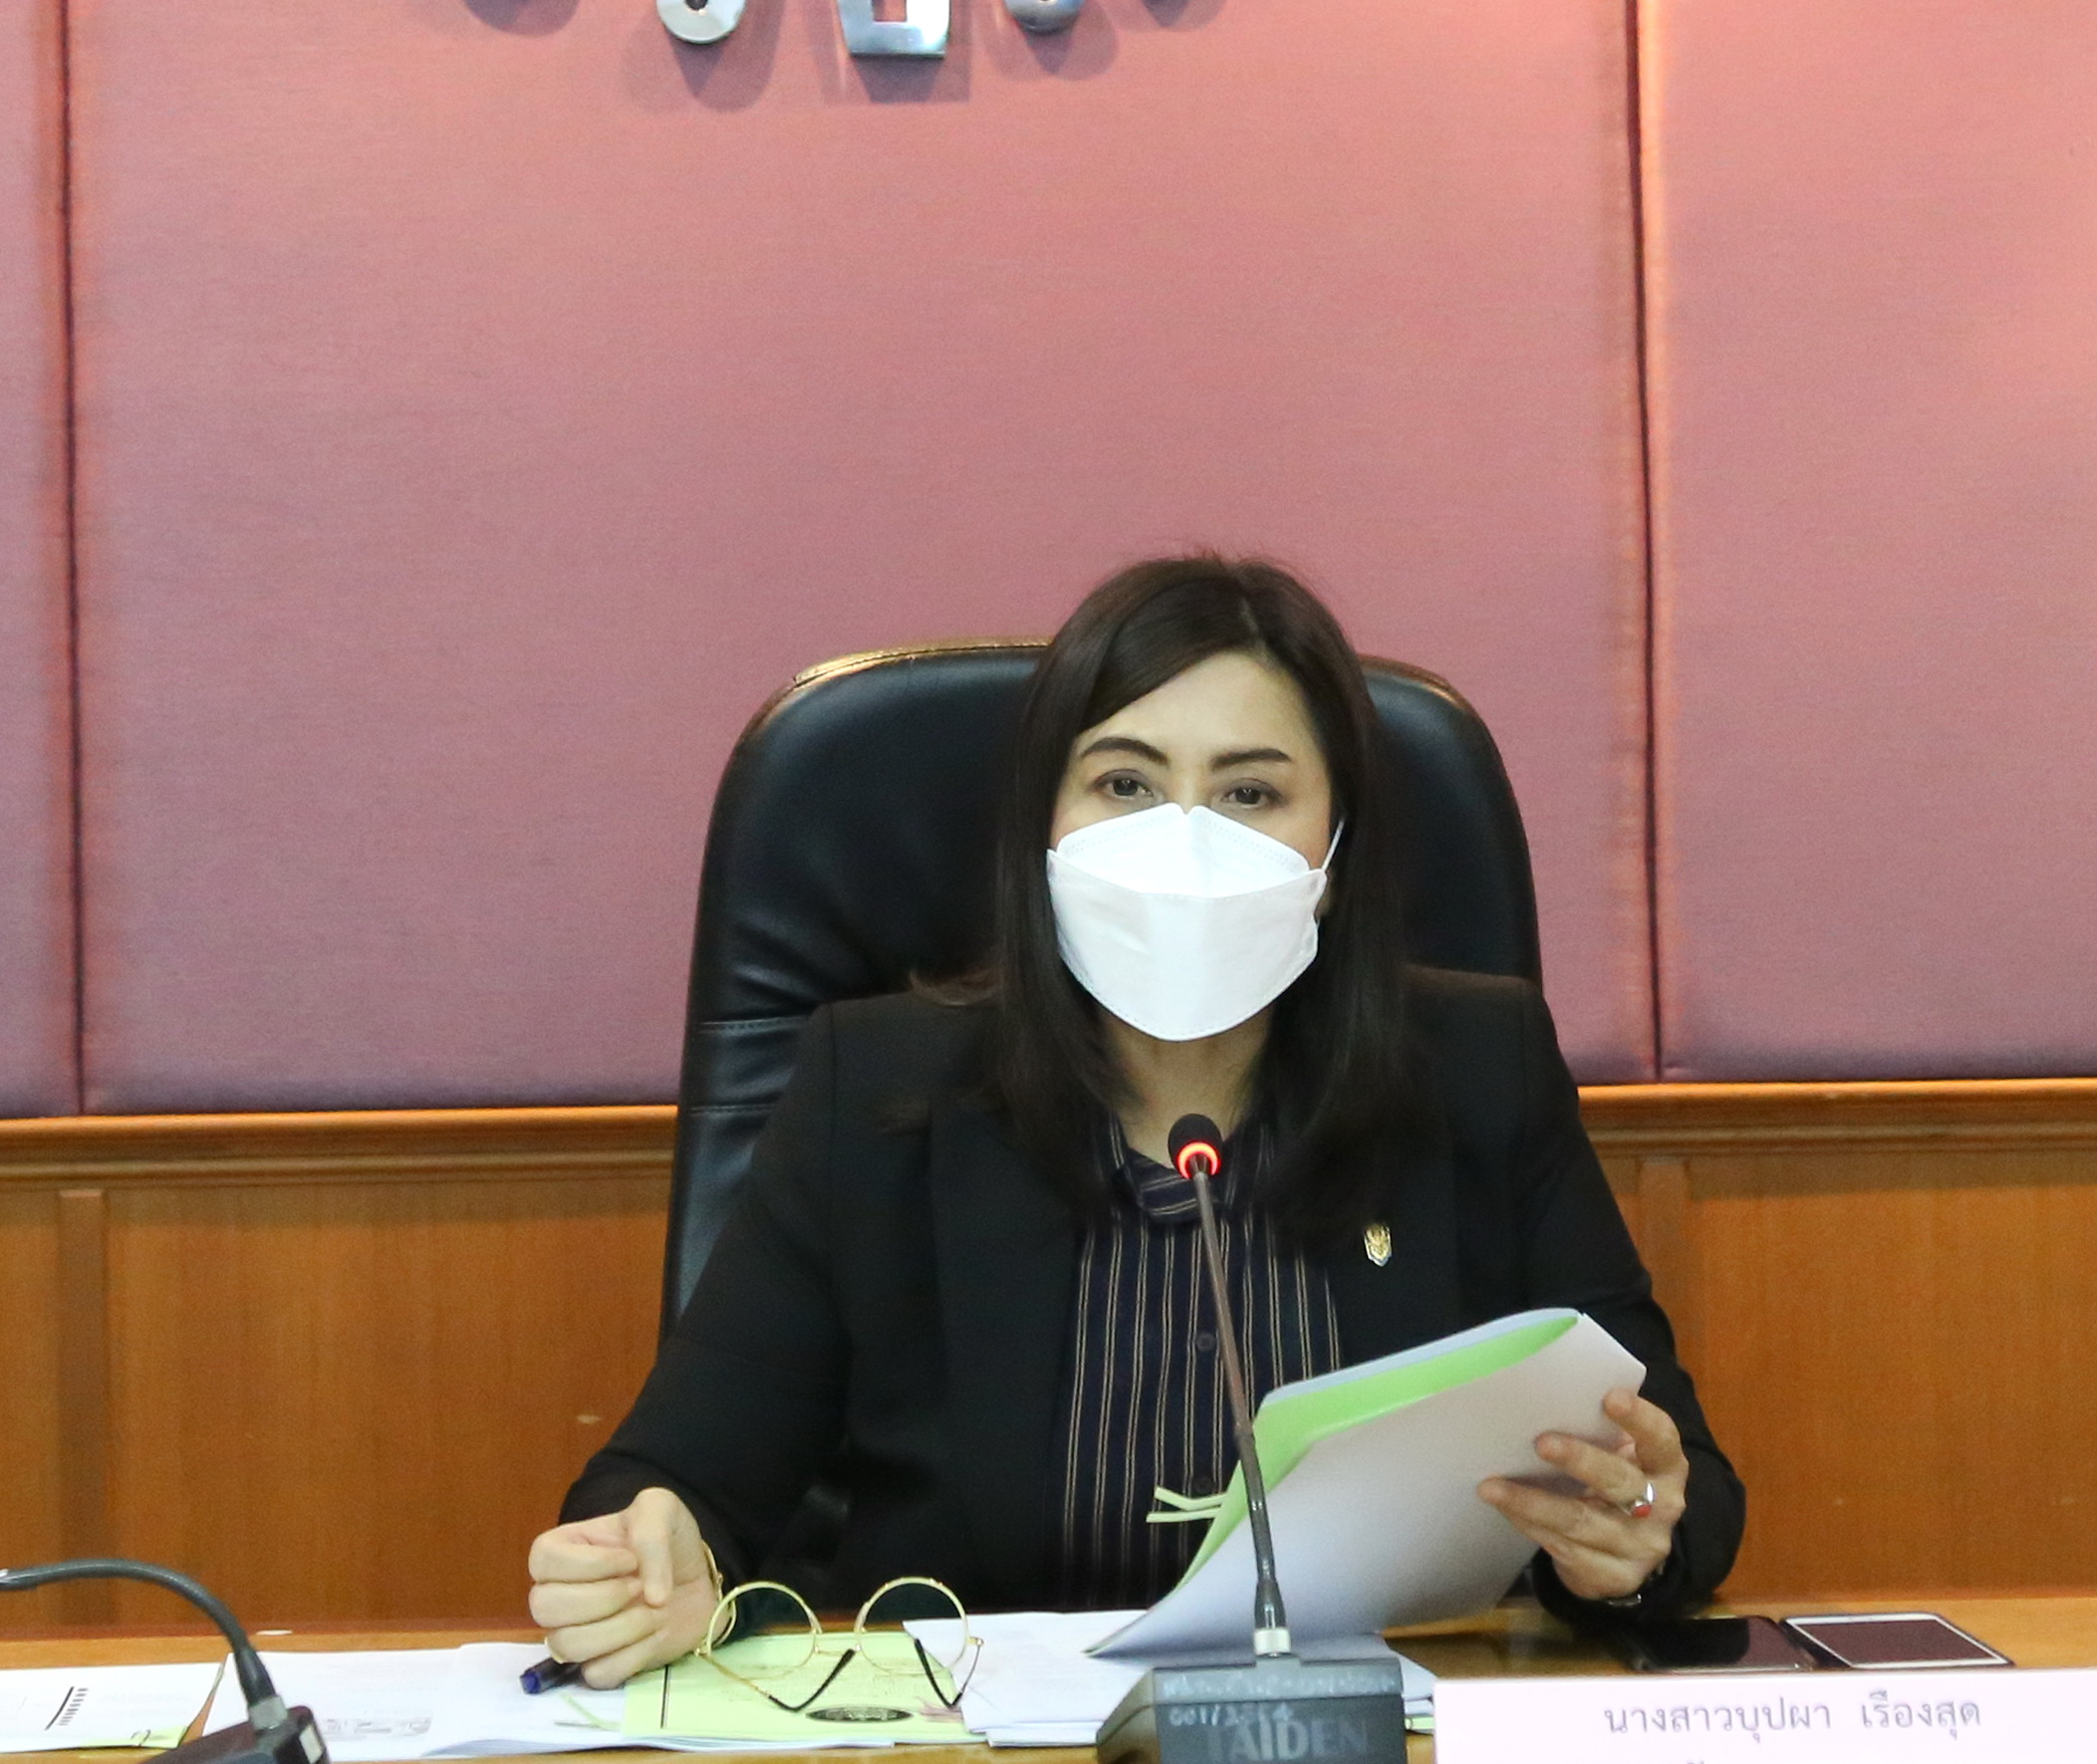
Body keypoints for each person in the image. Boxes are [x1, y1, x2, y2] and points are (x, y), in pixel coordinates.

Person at [527, 556, 1742, 1676]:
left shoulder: (1477, 1068)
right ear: (1044, 830)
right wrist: (643, 1559)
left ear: (1333, 851)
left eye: (1250, 791)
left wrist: (1635, 1540)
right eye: (1125, 784)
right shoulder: (881, 1089)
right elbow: (674, 1483)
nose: (1185, 841)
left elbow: (1674, 1479)